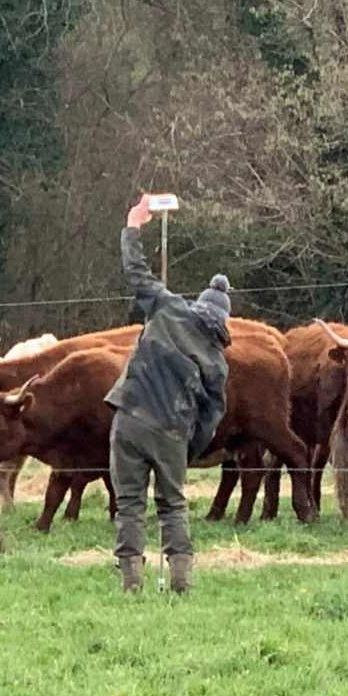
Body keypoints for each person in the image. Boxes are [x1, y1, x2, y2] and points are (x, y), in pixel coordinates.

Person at [105, 195, 231, 594]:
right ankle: (180, 581)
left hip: (129, 418)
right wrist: (187, 451)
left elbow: (136, 272)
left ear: (199, 305)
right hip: (173, 434)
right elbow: (210, 420)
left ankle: (131, 582)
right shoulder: (217, 363)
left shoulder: (167, 307)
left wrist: (132, 226)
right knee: (173, 505)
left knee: (129, 503)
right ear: (223, 322)